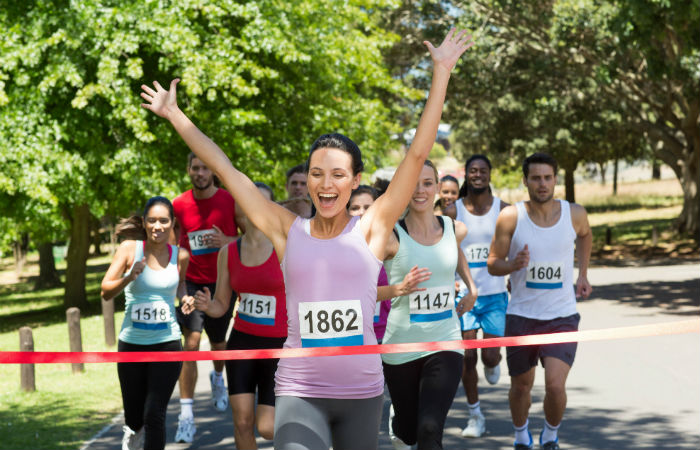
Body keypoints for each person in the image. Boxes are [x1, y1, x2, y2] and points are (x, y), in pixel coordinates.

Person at [140, 27, 474, 450]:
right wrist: (175, 115)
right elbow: (225, 167)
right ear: (308, 182)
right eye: (317, 174)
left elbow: (417, 154)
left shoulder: (373, 227)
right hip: (299, 390)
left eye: (338, 174)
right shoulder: (286, 229)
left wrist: (441, 72)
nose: (326, 183)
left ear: (355, 181)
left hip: (361, 393)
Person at [487, 153, 592, 450]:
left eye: (548, 177)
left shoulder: (575, 214)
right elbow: (493, 263)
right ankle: (521, 436)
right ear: (525, 181)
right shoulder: (511, 217)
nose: (542, 184)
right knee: (521, 386)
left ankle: (550, 435)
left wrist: (583, 274)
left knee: (556, 386)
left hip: (562, 315)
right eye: (536, 178)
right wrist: (513, 265)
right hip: (522, 315)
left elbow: (585, 235)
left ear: (556, 179)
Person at [183, 182, 288, 450]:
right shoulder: (228, 253)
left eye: (261, 201)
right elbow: (221, 304)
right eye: (247, 199)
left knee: (267, 428)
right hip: (241, 344)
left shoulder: (286, 247)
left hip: (279, 346)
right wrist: (206, 305)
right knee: (242, 422)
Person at [381, 160, 478, 450]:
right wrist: (398, 289)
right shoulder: (390, 237)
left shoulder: (455, 228)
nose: (420, 190)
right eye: (413, 183)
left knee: (429, 430)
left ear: (437, 186)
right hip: (401, 348)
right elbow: (359, 290)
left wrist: (471, 287)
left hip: (445, 342)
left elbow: (452, 253)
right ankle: (398, 420)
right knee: (409, 433)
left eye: (427, 183)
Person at [100, 197, 190, 450]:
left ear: (172, 223)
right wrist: (129, 277)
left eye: (163, 221)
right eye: (152, 220)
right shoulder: (130, 249)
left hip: (167, 343)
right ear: (144, 222)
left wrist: (186, 298)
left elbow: (180, 285)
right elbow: (105, 291)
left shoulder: (180, 256)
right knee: (134, 416)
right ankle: (133, 431)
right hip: (132, 344)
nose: (157, 226)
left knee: (155, 414)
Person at [172, 153, 242, 443]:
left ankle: (217, 378)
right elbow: (173, 247)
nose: (200, 173)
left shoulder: (230, 200)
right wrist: (178, 290)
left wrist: (226, 241)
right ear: (188, 170)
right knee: (190, 344)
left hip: (222, 283)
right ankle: (186, 416)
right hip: (190, 281)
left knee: (218, 344)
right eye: (195, 168)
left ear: (213, 172)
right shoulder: (178, 205)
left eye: (205, 168)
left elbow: (252, 237)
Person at [445, 154, 509, 438]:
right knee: (467, 357)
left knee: (490, 356)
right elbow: (441, 249)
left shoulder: (504, 210)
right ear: (467, 175)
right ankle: (475, 415)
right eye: (473, 170)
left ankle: (494, 361)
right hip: (465, 297)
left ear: (490, 174)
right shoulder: (452, 210)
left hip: (495, 295)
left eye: (483, 170)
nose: (478, 175)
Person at [347, 185, 430, 343]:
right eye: (355, 207)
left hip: (388, 335)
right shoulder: (339, 248)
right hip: (353, 336)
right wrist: (397, 289)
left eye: (368, 207)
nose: (362, 212)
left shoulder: (393, 241)